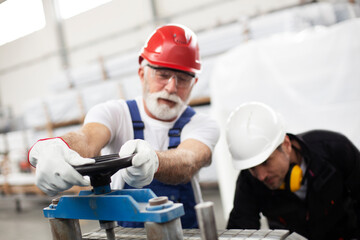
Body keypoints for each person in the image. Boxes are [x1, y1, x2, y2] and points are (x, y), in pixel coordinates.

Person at [28, 24, 220, 229]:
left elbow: (189, 160)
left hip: (186, 232)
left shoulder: (203, 124)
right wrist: (57, 146)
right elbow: (87, 138)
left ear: (194, 83)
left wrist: (155, 161)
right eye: (163, 75)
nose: (171, 87)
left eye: (182, 79)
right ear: (141, 73)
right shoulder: (115, 113)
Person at [225, 102, 360, 240]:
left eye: (265, 162)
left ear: (286, 145)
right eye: (252, 168)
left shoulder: (336, 150)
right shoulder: (249, 181)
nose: (260, 176)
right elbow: (240, 230)